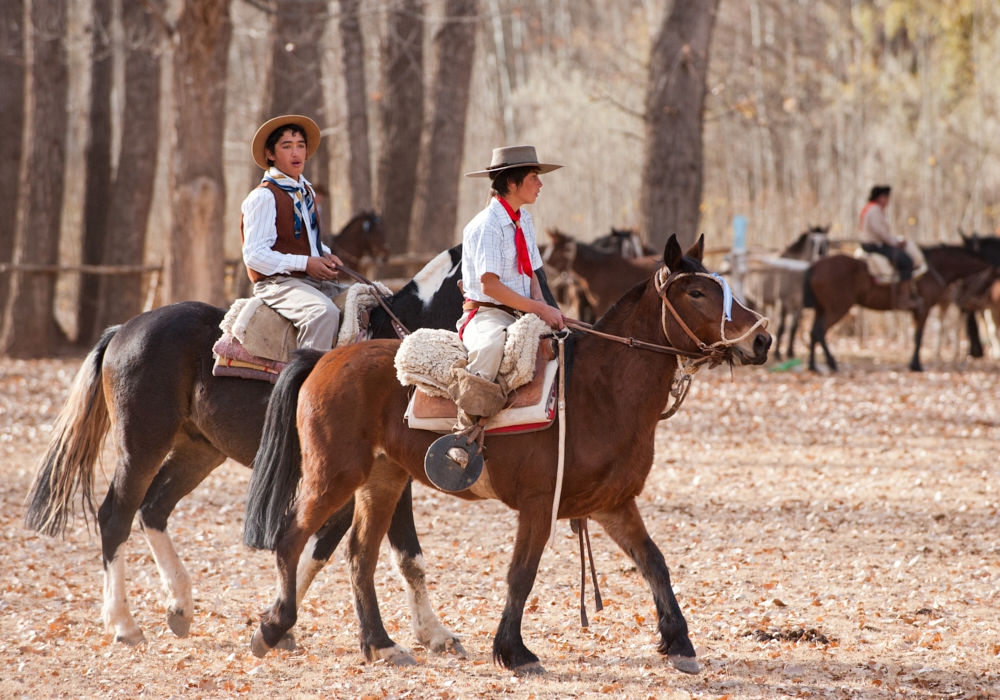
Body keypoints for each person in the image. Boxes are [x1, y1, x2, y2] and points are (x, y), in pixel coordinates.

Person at [448, 146, 566, 433]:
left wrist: (542, 305)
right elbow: (490, 285)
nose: (540, 184)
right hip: (490, 313)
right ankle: (464, 431)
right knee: (489, 348)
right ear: (512, 183)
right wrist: (538, 309)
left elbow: (532, 274)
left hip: (523, 309)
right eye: (534, 178)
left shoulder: (523, 219)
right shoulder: (488, 225)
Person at [241, 115, 348, 351]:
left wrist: (324, 254)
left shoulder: (305, 191)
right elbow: (255, 255)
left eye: (300, 146)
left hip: (308, 281)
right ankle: (306, 384)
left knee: (367, 300)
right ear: (270, 154)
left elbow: (306, 239)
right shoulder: (264, 197)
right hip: (276, 283)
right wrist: (306, 263)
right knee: (322, 313)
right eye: (287, 147)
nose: (296, 153)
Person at [859, 185, 918, 310]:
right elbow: (881, 233)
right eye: (886, 197)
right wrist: (895, 243)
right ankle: (905, 299)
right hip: (875, 245)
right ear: (880, 198)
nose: (888, 201)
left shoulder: (871, 209)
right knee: (907, 261)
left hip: (874, 244)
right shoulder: (875, 210)